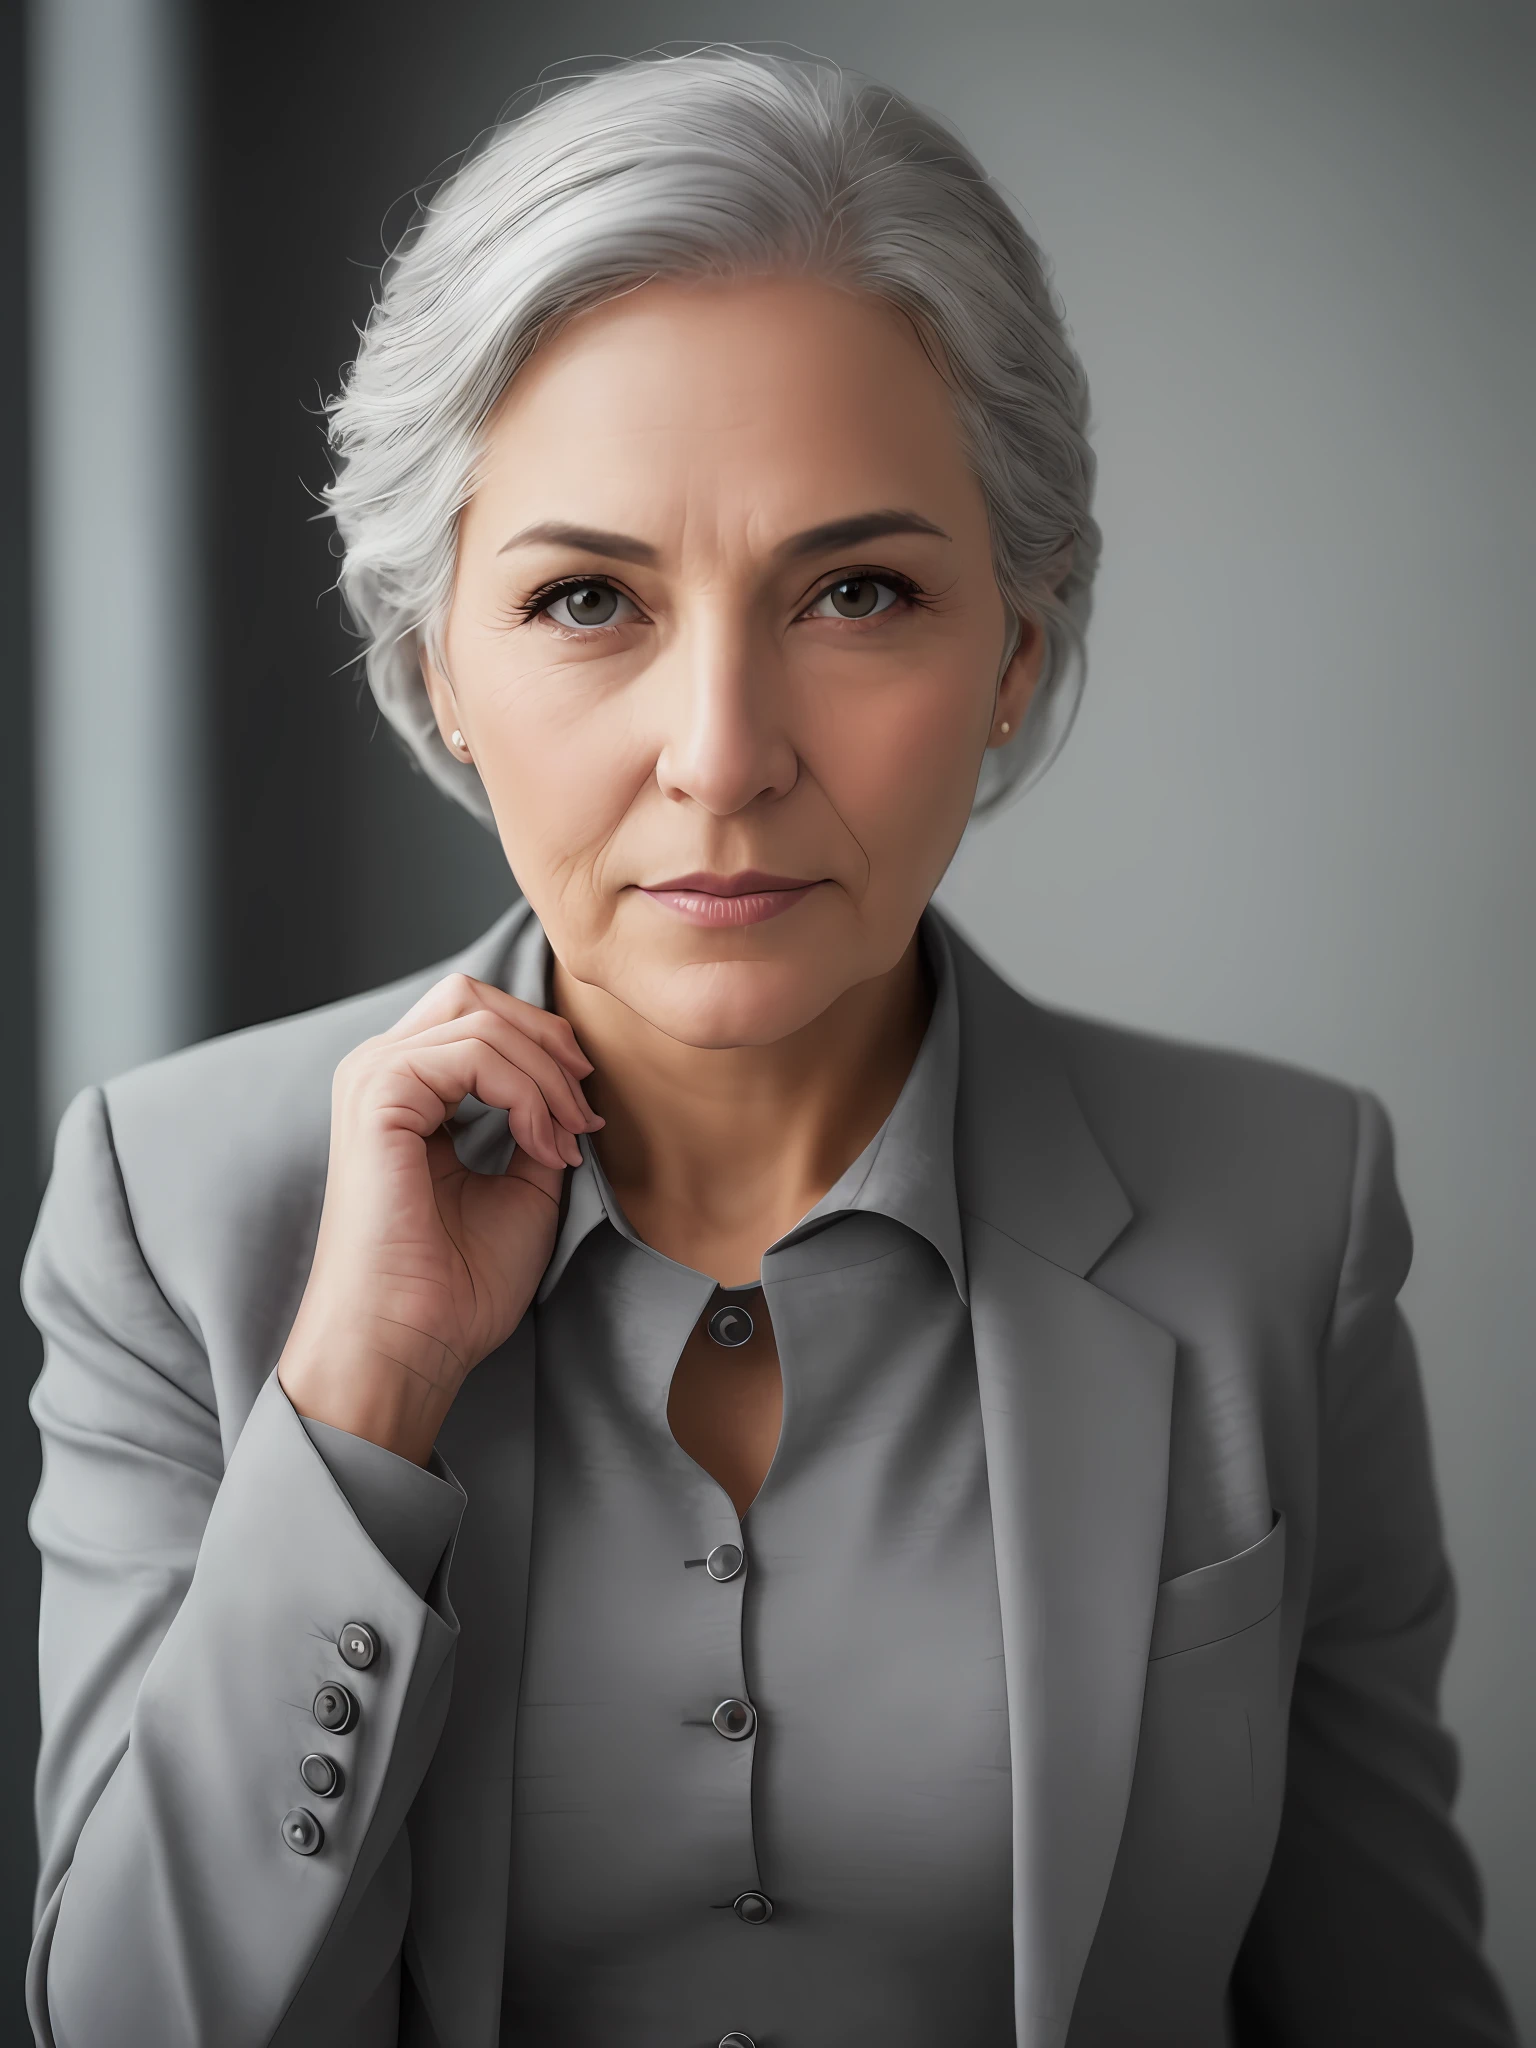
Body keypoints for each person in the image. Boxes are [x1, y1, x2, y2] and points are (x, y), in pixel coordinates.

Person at [22, 43, 1517, 2048]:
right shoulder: (170, 1206)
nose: (722, 758)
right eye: (584, 601)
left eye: (859, 590)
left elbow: (1391, 2003)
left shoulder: (1279, 1216)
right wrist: (362, 1392)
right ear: (431, 659)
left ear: (1013, 650)